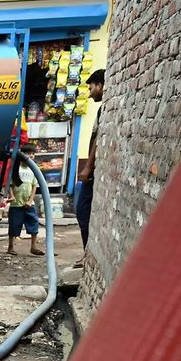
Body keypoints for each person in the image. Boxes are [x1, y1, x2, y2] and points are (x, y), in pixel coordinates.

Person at [75, 69, 105, 252]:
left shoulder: (104, 109)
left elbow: (98, 140)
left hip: (93, 172)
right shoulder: (103, 109)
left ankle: (87, 253)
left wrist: (87, 167)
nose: (90, 92)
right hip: (93, 171)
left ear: (100, 86)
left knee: (83, 213)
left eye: (91, 87)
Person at [7, 143, 45, 257]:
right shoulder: (15, 168)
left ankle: (33, 247)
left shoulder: (33, 169)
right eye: (29, 153)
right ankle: (10, 246)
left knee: (33, 223)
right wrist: (11, 196)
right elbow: (10, 184)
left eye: (33, 154)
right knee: (14, 225)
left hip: (29, 203)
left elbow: (34, 186)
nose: (31, 156)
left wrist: (30, 200)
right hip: (16, 203)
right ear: (21, 154)